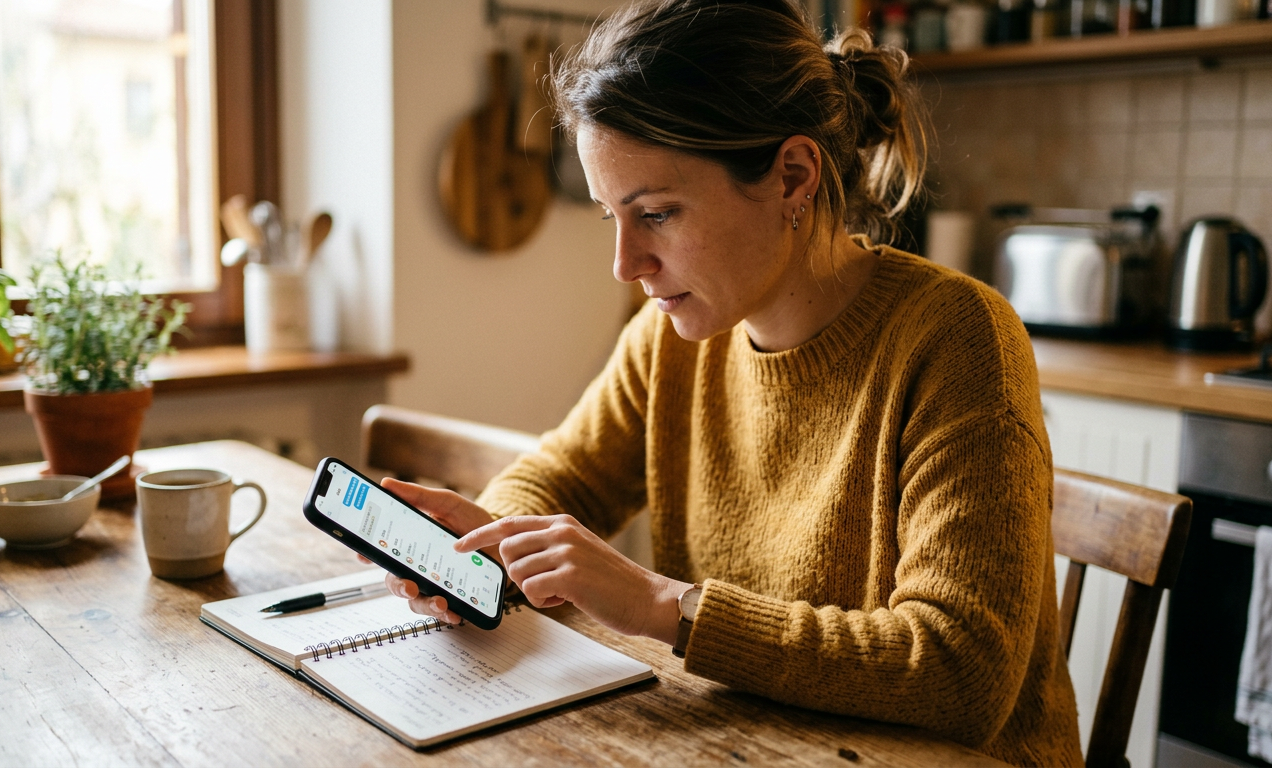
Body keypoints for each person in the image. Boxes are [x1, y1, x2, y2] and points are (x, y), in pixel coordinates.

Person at [376, 1, 1082, 764]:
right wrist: (490, 547)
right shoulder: (671, 338)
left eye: (657, 213)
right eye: (610, 215)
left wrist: (663, 607)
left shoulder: (958, 339)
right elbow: (558, 475)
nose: (626, 264)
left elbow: (959, 672)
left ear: (793, 176)